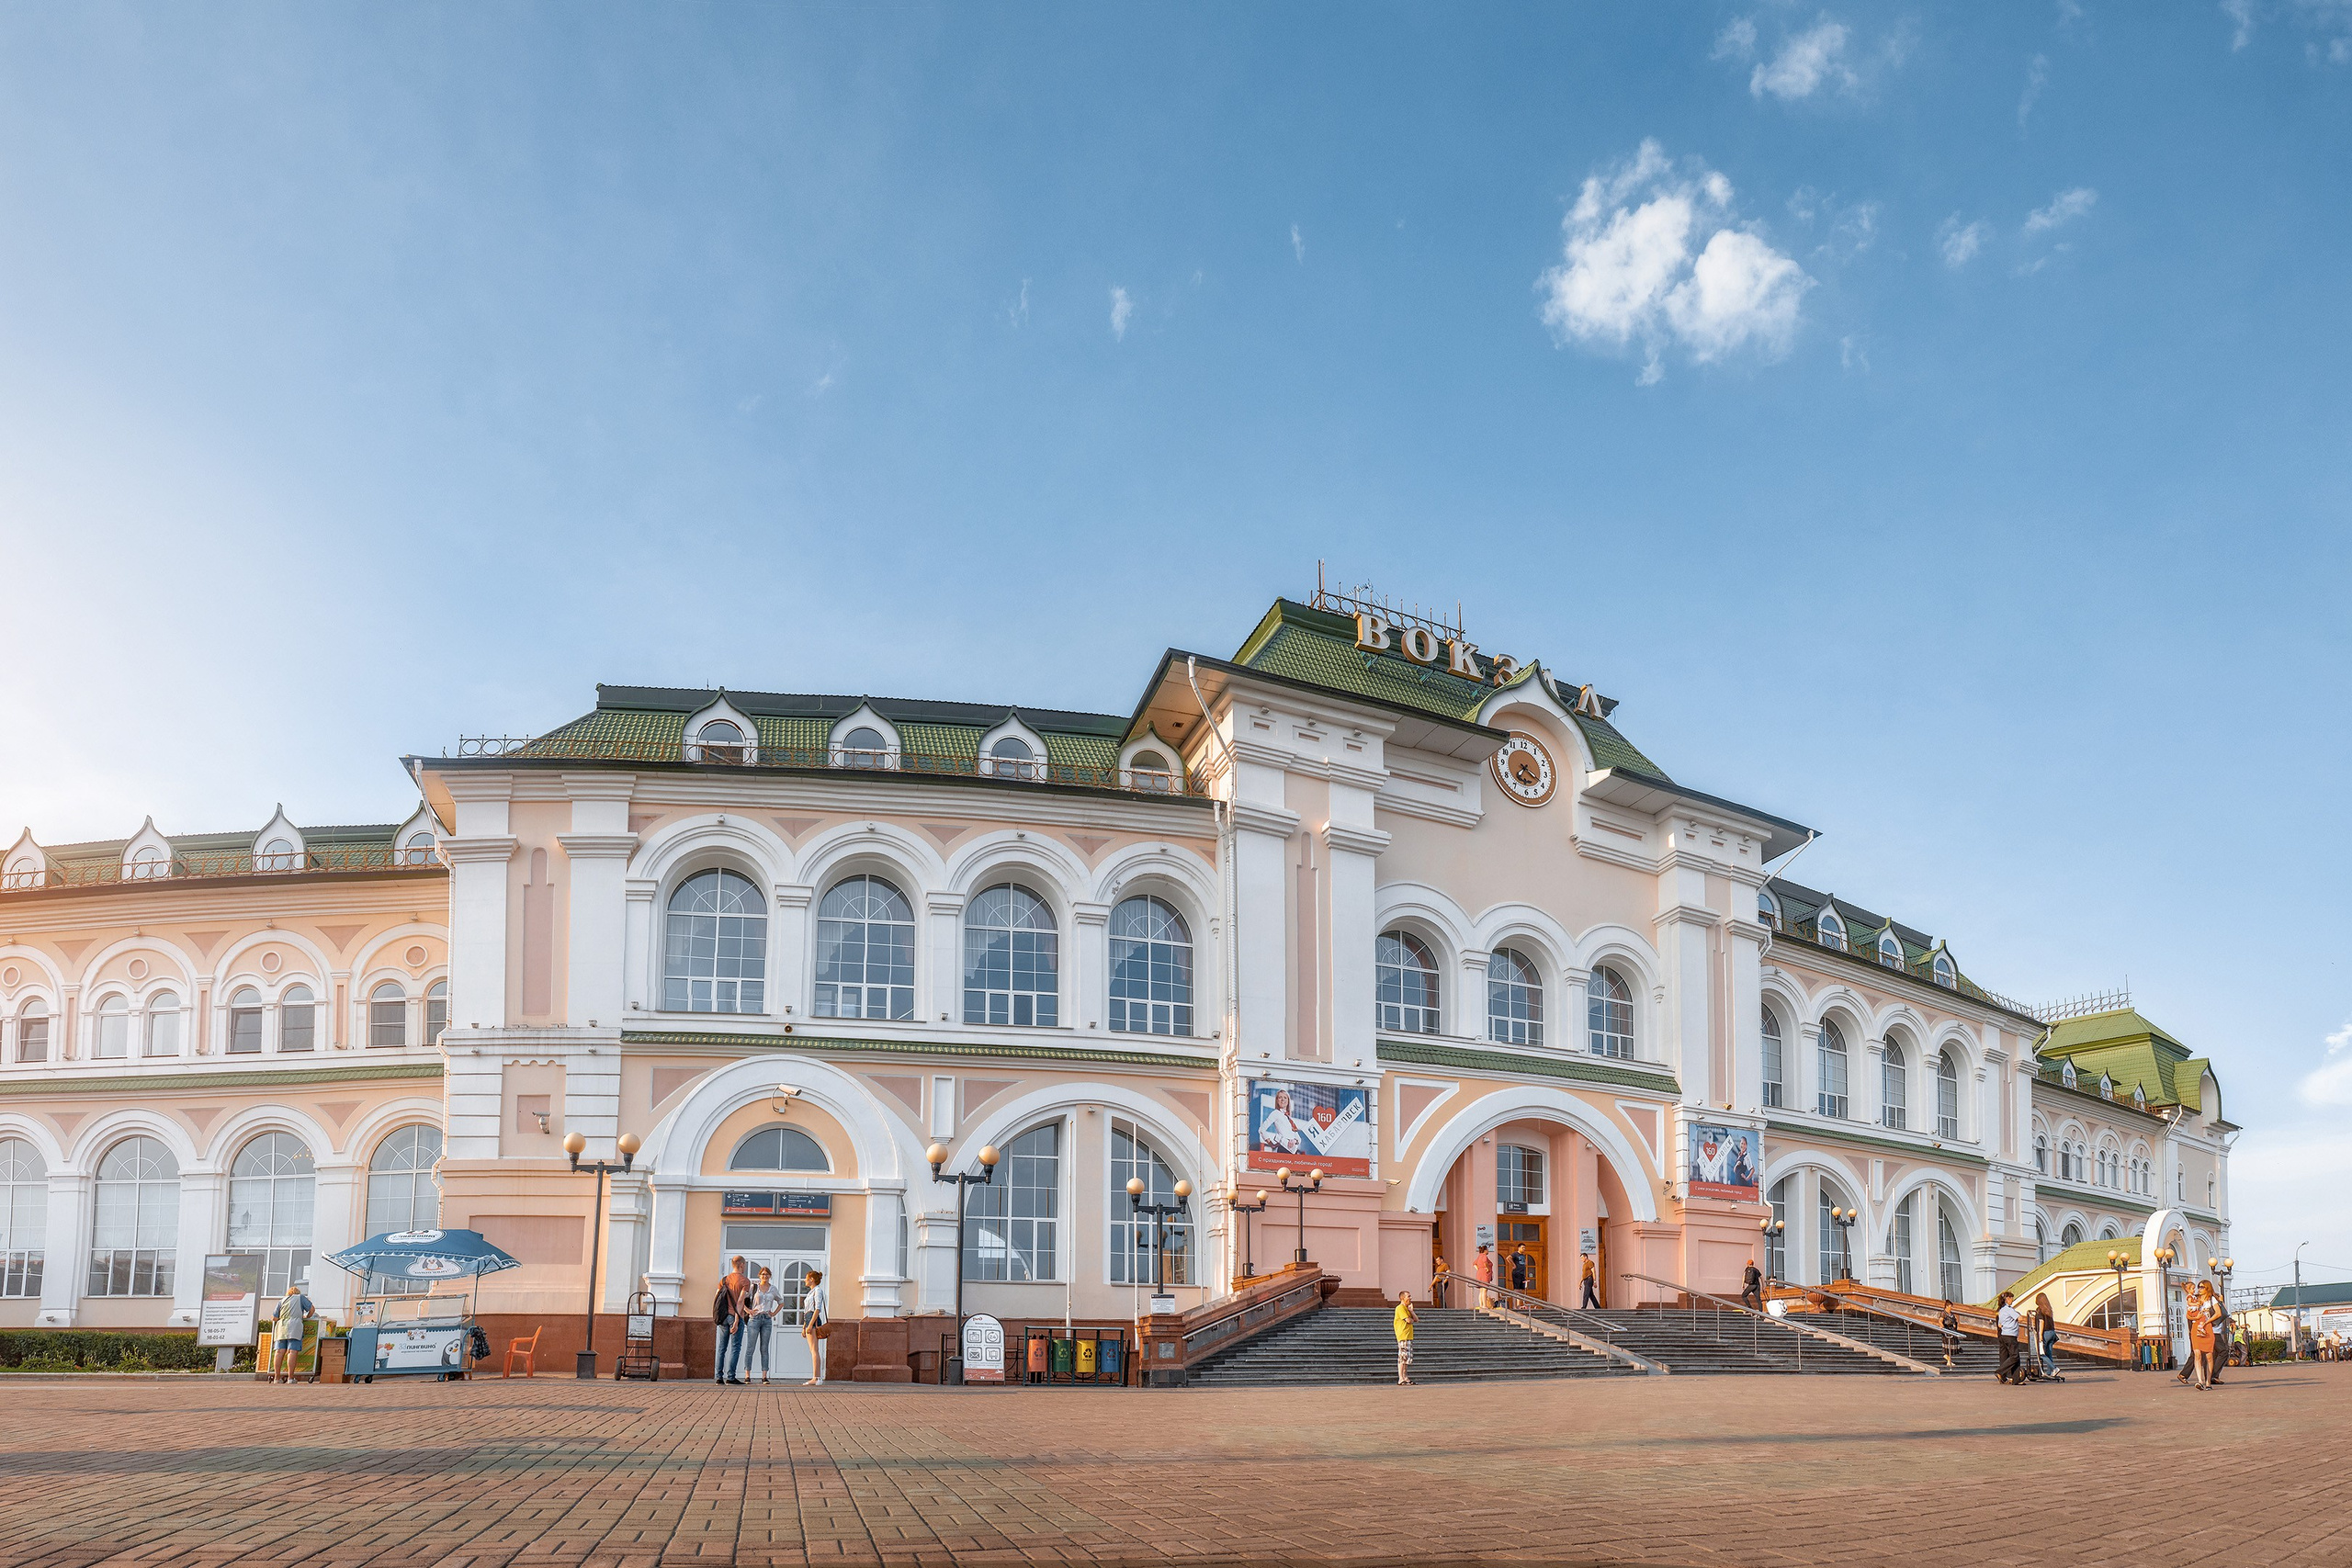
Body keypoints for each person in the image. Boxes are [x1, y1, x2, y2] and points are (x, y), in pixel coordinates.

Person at [743, 1266, 784, 1385]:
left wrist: (774, 1313)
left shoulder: (773, 1289)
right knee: (750, 1347)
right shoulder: (754, 1288)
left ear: (770, 1276)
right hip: (754, 1319)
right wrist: (748, 1310)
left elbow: (781, 1302)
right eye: (763, 1274)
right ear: (759, 1276)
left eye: (767, 1274)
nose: (764, 1276)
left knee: (764, 1348)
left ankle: (764, 1376)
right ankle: (747, 1375)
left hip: (766, 1319)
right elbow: (741, 1300)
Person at [714, 1255, 752, 1385]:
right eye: (744, 1264)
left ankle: (719, 1377)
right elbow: (740, 1302)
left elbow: (716, 1298)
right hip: (735, 1316)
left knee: (721, 1347)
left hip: (723, 1317)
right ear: (741, 1265)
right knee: (735, 1347)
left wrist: (717, 1316)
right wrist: (736, 1320)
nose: (744, 1267)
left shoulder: (724, 1280)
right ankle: (731, 1377)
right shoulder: (744, 1281)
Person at [269, 1280, 313, 1384]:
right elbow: (312, 1309)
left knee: (279, 1351)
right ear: (297, 1293)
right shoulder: (300, 1297)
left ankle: (277, 1378)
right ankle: (290, 1378)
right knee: (292, 1351)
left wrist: (283, 1318)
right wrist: (306, 1317)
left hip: (281, 1327)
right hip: (295, 1325)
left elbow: (274, 1318)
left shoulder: (282, 1300)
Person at [800, 1268, 830, 1386]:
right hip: (809, 1319)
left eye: (806, 1279)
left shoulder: (818, 1291)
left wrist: (810, 1324)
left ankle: (816, 1377)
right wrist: (804, 1326)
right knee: (813, 1350)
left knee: (814, 1350)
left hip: (813, 1319)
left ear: (812, 1279)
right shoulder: (811, 1292)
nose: (804, 1281)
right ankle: (816, 1377)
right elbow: (806, 1310)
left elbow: (817, 1309)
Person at [2188, 1280, 2218, 1391]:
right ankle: (2200, 1381)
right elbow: (2188, 1315)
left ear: (2207, 1288)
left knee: (2209, 1355)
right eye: (2199, 1287)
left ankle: (2208, 1381)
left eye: (2202, 1287)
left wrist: (2207, 1321)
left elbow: (2218, 1313)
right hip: (2196, 1327)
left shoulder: (2212, 1299)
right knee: (2197, 1353)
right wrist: (2195, 1318)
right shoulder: (2195, 1300)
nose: (2199, 1289)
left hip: (2207, 1327)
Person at [1996, 1292, 2022, 1384]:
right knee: (2015, 1356)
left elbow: (2000, 1325)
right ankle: (2000, 1371)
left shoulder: (2001, 1310)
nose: (2012, 1300)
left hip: (2004, 1335)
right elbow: (2020, 1318)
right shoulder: (2009, 1309)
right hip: (2010, 1335)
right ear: (2007, 1299)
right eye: (2011, 1298)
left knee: (2014, 1357)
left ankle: (2016, 1379)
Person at [1393, 1291, 1418, 1385]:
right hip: (1403, 1336)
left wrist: (1411, 1311)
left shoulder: (1407, 1309)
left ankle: (1405, 1377)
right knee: (1402, 1358)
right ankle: (1401, 1378)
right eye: (1408, 1296)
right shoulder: (1400, 1308)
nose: (1410, 1298)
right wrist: (1411, 1319)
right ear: (1402, 1298)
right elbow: (1408, 1320)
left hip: (1408, 1336)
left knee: (1407, 1358)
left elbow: (1416, 1319)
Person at [2035, 1292, 2060, 1379]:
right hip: (2052, 1332)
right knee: (2049, 1353)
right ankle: (2049, 1372)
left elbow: (2041, 1322)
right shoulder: (2049, 1309)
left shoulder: (2039, 1310)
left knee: (2041, 1353)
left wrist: (2040, 1334)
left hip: (2045, 1333)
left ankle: (2054, 1368)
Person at [1472, 1243, 1496, 1309]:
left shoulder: (1479, 1256)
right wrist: (1487, 1268)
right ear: (1485, 1250)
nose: (1488, 1251)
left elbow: (1474, 1264)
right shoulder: (1484, 1256)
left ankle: (1481, 1305)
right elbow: (1485, 1262)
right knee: (1485, 1289)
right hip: (1485, 1274)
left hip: (1480, 1273)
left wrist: (1479, 1269)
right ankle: (1484, 1305)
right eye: (1487, 1249)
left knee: (1481, 1290)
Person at [1939, 1300, 1960, 1369]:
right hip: (1947, 1330)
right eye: (1950, 1306)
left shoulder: (1952, 1314)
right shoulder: (1943, 1313)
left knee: (1952, 1345)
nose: (1951, 1308)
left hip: (1952, 1330)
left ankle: (1949, 1360)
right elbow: (1940, 1320)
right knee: (1948, 1344)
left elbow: (1955, 1321)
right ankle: (1948, 1358)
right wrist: (1942, 1326)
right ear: (1947, 1306)